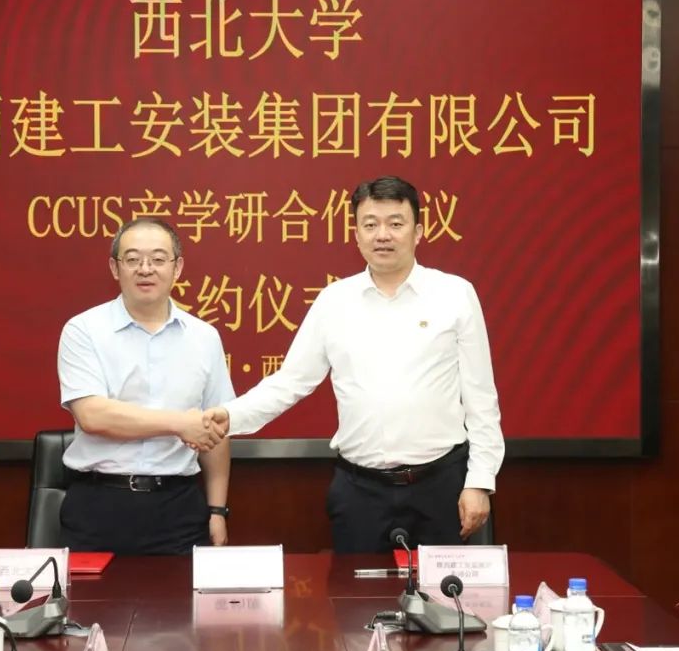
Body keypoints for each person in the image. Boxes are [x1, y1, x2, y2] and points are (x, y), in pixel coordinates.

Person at [205, 176, 504, 552]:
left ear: (418, 231)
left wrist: (479, 481)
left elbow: (481, 397)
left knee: (444, 592)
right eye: (370, 224)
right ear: (357, 235)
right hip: (360, 491)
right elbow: (291, 382)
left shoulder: (455, 294)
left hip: (440, 486)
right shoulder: (334, 301)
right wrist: (230, 416)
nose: (383, 235)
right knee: (355, 590)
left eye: (396, 223)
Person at [57, 217, 234, 555]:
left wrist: (217, 510)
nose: (145, 269)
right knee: (91, 594)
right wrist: (180, 423)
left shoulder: (204, 338)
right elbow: (93, 416)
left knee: (182, 593)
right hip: (99, 506)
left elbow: (216, 431)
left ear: (177, 267)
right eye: (133, 259)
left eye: (158, 259)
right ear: (115, 267)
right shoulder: (83, 330)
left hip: (179, 507)